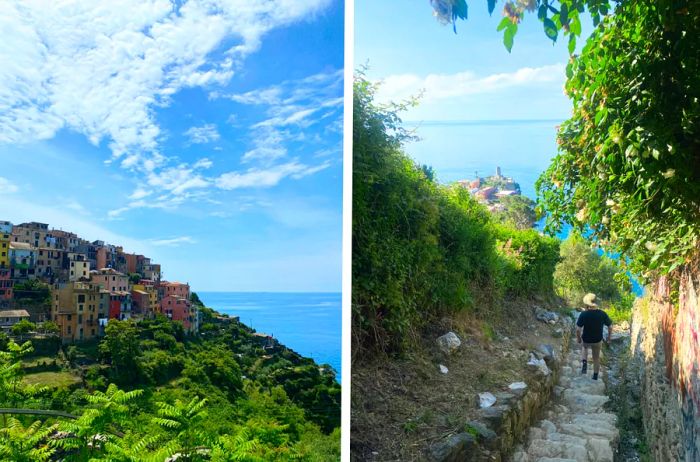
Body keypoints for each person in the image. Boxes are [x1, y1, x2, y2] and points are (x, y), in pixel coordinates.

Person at [576, 293, 612, 380]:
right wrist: (609, 337)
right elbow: (610, 326)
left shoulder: (583, 314)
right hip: (597, 340)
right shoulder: (603, 314)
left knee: (584, 348)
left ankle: (584, 363)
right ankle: (595, 376)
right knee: (596, 358)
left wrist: (578, 338)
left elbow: (578, 329)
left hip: (586, 339)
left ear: (587, 304)